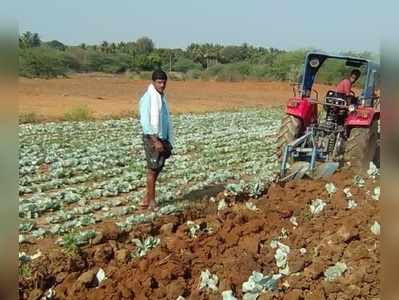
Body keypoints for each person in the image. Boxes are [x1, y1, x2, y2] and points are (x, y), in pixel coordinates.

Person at [139, 70, 174, 210]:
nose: (162, 85)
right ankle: (152, 202)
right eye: (159, 82)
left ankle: (147, 199)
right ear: (153, 82)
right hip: (153, 138)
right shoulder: (148, 97)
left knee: (158, 168)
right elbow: (145, 122)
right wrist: (155, 141)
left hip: (162, 137)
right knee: (153, 170)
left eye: (164, 82)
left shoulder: (161, 97)